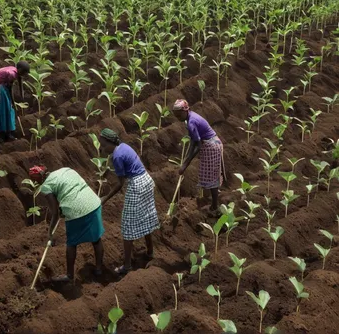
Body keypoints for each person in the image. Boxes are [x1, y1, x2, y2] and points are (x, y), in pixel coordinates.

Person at [29, 165, 104, 283]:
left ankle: (69, 276)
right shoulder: (66, 169)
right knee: (96, 240)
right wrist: (63, 209)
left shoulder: (46, 186)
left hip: (76, 211)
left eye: (35, 180)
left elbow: (55, 212)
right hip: (93, 203)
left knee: (71, 244)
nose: (35, 182)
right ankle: (99, 269)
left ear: (40, 177)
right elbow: (71, 190)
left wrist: (50, 234)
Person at [99, 128, 159, 275]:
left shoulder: (117, 156)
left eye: (103, 144)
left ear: (110, 142)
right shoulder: (123, 147)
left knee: (127, 226)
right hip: (146, 180)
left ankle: (127, 266)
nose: (101, 148)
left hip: (137, 186)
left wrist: (104, 199)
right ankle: (150, 252)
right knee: (146, 216)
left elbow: (120, 184)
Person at [172, 99, 226, 214]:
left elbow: (198, 145)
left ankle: (215, 207)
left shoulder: (191, 122)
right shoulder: (191, 117)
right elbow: (193, 141)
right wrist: (185, 162)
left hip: (211, 146)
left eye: (178, 114)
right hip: (211, 143)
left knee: (212, 178)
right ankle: (212, 202)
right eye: (175, 114)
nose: (177, 117)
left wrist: (185, 165)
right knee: (210, 176)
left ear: (185, 111)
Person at [0, 61, 30, 141]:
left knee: (3, 105)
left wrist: (21, 97)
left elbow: (19, 81)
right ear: (20, 70)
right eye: (24, 72)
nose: (25, 74)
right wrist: (13, 103)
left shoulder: (15, 72)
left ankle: (5, 132)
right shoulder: (12, 74)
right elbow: (10, 90)